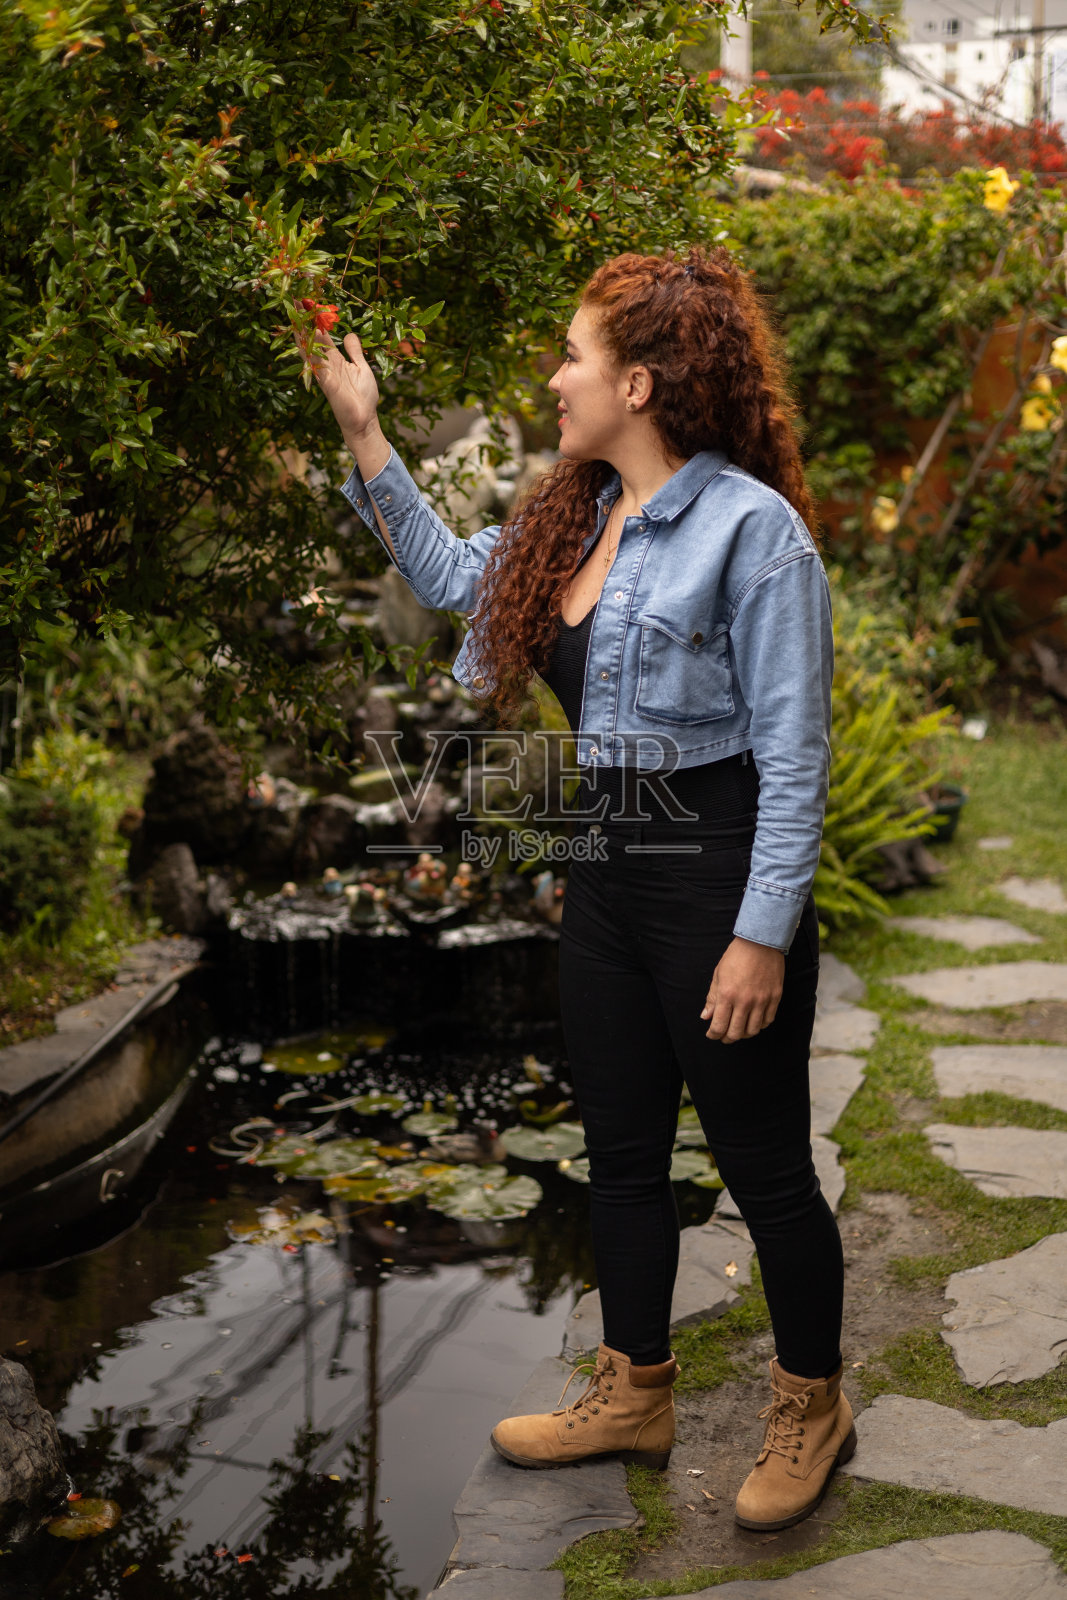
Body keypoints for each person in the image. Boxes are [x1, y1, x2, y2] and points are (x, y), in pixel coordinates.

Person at [306, 246, 851, 1533]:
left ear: (639, 383)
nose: (554, 378)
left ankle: (810, 1406)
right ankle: (632, 1391)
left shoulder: (752, 533)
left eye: (572, 356)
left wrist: (759, 935)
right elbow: (453, 577)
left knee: (764, 1170)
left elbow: (794, 754)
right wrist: (365, 430)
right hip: (607, 877)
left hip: (715, 879)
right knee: (618, 1154)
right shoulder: (575, 514)